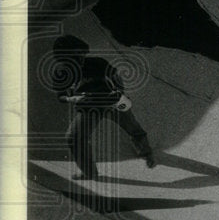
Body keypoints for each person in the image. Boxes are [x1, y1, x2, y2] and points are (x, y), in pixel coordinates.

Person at [51, 35, 155, 180]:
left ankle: (145, 152)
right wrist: (73, 98)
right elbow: (61, 96)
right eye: (75, 58)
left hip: (111, 102)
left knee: (132, 126)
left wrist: (120, 92)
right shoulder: (62, 73)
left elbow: (115, 76)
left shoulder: (96, 62)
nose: (81, 60)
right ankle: (89, 172)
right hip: (89, 108)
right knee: (73, 137)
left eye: (82, 55)